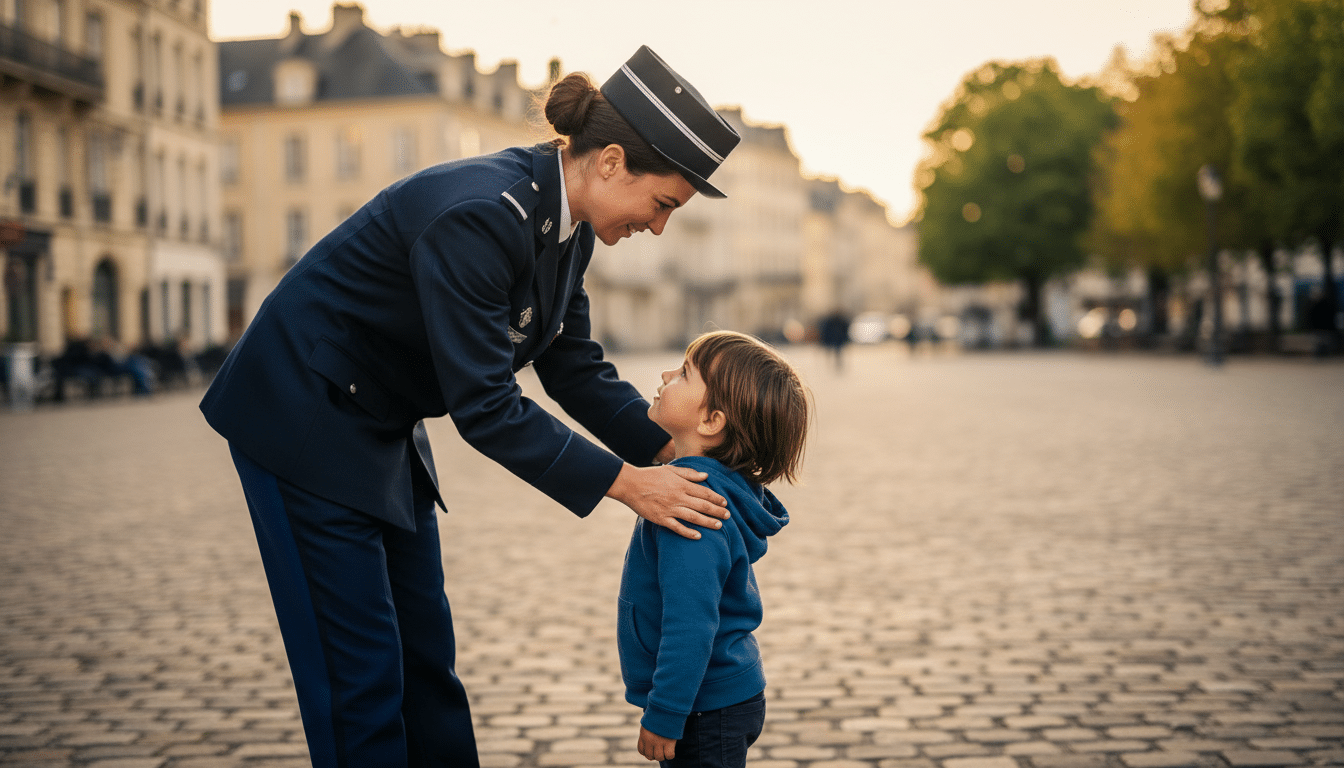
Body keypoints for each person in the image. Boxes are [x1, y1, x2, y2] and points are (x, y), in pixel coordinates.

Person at [199, 46, 741, 767]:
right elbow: (485, 405)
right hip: (304, 418)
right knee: (357, 676)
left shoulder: (564, 224)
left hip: (381, 419)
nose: (661, 225)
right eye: (664, 203)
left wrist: (681, 456)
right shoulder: (482, 213)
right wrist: (630, 485)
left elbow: (573, 367)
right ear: (611, 161)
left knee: (427, 659)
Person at [618, 331, 810, 767]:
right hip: (718, 699)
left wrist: (665, 715)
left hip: (703, 710)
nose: (667, 374)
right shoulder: (711, 484)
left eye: (685, 374)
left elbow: (691, 625)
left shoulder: (690, 504)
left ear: (711, 421)